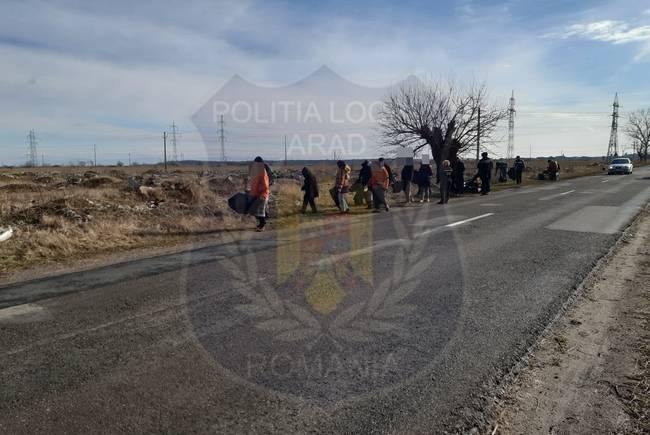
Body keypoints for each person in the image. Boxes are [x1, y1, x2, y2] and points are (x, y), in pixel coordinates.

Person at [248, 156, 270, 231]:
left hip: (262, 194)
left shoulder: (262, 172)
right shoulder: (257, 171)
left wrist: (261, 192)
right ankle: (262, 223)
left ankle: (262, 226)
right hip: (258, 194)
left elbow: (265, 184)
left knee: (260, 211)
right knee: (257, 211)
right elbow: (255, 183)